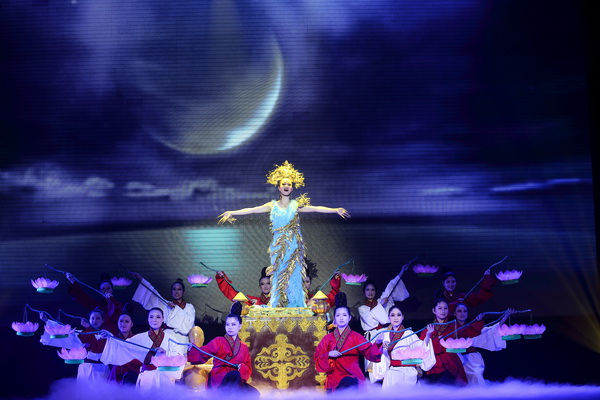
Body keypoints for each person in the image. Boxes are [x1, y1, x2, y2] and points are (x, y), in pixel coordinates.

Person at [218, 161, 350, 308]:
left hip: (293, 246)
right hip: (278, 247)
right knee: (279, 274)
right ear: (279, 187)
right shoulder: (272, 205)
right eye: (283, 184)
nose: (286, 186)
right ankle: (278, 305)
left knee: (294, 275)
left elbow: (315, 208)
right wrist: (232, 212)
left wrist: (335, 210)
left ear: (292, 187)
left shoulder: (295, 205)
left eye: (289, 184)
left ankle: (297, 304)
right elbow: (252, 209)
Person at [100, 308, 186, 389]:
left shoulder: (171, 338)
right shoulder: (139, 337)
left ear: (163, 319)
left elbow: (179, 356)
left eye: (158, 317)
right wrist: (110, 336)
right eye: (151, 317)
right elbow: (123, 345)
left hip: (165, 377)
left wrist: (166, 352)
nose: (154, 320)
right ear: (148, 319)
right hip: (147, 377)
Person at [314, 297, 383, 392]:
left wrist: (378, 343)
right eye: (338, 315)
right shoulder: (327, 338)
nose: (341, 318)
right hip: (334, 380)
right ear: (334, 319)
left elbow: (370, 353)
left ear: (349, 318)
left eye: (344, 315)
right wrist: (329, 354)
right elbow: (317, 358)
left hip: (353, 377)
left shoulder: (356, 337)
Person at [357, 264, 410, 382]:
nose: (370, 292)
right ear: (364, 291)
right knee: (374, 364)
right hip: (373, 337)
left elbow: (391, 287)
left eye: (373, 289)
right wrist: (380, 304)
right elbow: (370, 322)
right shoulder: (362, 308)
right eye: (367, 289)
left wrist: (401, 272)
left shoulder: (382, 300)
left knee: (386, 361)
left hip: (386, 334)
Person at [188, 311, 256, 393]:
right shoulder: (218, 341)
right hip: (220, 378)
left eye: (233, 324)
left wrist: (242, 367)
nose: (230, 327)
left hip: (236, 379)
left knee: (254, 393)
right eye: (227, 324)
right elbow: (203, 353)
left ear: (240, 326)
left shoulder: (243, 346)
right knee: (234, 374)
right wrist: (193, 350)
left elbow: (248, 366)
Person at [131, 273, 195, 354]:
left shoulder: (189, 307)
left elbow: (189, 325)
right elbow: (154, 296)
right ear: (171, 291)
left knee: (179, 360)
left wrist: (176, 308)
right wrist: (141, 279)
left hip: (182, 339)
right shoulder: (166, 304)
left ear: (183, 292)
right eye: (174, 289)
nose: (176, 292)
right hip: (167, 337)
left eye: (179, 289)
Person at [453, 304, 514, 385]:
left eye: (465, 311)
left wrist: (506, 316)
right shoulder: (450, 328)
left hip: (471, 357)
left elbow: (491, 330)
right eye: (459, 311)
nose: (462, 313)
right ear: (454, 313)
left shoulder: (473, 327)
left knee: (476, 373)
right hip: (455, 357)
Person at [381, 305, 435, 387]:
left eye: (398, 315)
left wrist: (428, 335)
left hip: (408, 371)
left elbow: (422, 347)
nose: (396, 318)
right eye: (393, 315)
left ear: (402, 317)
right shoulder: (385, 335)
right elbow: (382, 356)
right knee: (390, 376)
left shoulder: (409, 333)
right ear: (389, 317)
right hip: (392, 370)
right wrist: (382, 346)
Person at [419, 299, 467, 386]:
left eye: (445, 308)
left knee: (453, 389)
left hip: (451, 362)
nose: (443, 311)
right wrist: (428, 335)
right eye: (440, 308)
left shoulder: (454, 327)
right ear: (434, 310)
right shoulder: (427, 329)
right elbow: (421, 348)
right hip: (433, 364)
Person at [77, 308, 113, 382]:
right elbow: (82, 341)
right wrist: (88, 328)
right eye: (92, 318)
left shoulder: (105, 334)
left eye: (98, 318)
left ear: (103, 320)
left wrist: (89, 328)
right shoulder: (85, 332)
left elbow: (97, 348)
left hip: (100, 368)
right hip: (85, 367)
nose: (94, 321)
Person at [107, 310, 141, 384]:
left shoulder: (137, 339)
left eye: (127, 321)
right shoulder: (113, 339)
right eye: (121, 321)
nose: (123, 324)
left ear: (131, 324)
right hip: (115, 373)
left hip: (132, 373)